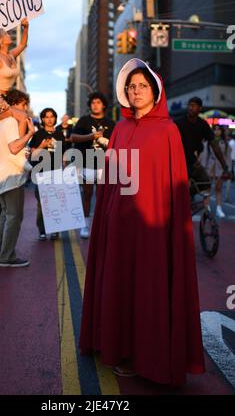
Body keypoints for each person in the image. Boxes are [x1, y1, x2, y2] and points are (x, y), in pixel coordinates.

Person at [79, 58, 205, 386]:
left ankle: (147, 355)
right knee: (118, 282)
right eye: (131, 86)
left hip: (152, 227)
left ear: (155, 91)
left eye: (142, 86)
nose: (135, 91)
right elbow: (111, 180)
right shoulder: (119, 129)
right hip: (118, 225)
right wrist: (104, 216)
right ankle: (115, 345)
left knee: (147, 288)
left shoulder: (168, 131)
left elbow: (173, 187)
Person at [0, 90, 35, 267]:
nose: (25, 109)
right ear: (14, 104)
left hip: (0, 174)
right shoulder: (11, 123)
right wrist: (29, 134)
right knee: (14, 216)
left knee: (5, 215)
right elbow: (14, 149)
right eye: (23, 105)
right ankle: (7, 257)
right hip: (11, 175)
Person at [71, 92, 115, 238]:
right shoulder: (84, 120)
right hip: (86, 162)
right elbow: (73, 137)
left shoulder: (110, 123)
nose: (95, 105)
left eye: (98, 102)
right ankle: (85, 226)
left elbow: (117, 144)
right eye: (93, 102)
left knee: (104, 195)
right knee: (87, 194)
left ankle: (103, 226)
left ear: (104, 105)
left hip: (105, 163)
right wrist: (92, 136)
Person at [175, 97, 230, 198]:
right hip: (178, 161)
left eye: (194, 105)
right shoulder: (178, 122)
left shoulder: (203, 124)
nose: (191, 108)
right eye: (189, 105)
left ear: (199, 108)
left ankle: (186, 197)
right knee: (175, 186)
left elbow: (214, 146)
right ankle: (182, 198)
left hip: (193, 162)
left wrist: (225, 166)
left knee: (206, 183)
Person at [0, 19, 29, 137]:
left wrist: (26, 27)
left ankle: (17, 145)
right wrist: (0, 100)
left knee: (24, 116)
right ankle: (19, 148)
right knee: (23, 116)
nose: (9, 35)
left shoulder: (11, 55)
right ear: (0, 40)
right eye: (6, 34)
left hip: (8, 99)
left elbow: (23, 44)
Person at [29, 108, 65, 241]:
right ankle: (42, 230)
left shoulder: (60, 134)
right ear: (43, 119)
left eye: (52, 117)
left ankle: (55, 229)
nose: (49, 119)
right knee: (42, 203)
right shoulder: (38, 135)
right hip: (41, 172)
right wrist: (43, 146)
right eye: (46, 117)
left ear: (55, 118)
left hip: (56, 172)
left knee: (55, 203)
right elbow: (32, 154)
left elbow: (63, 154)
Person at [200, 125, 232, 217]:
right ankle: (207, 207)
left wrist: (227, 170)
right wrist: (203, 168)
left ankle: (219, 208)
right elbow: (204, 155)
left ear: (221, 131)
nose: (217, 131)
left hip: (220, 169)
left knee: (218, 188)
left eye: (218, 130)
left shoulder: (225, 144)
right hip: (209, 168)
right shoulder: (208, 142)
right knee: (207, 189)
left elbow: (228, 158)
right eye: (215, 129)